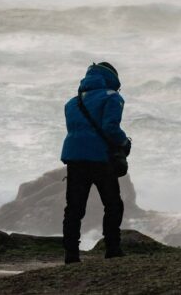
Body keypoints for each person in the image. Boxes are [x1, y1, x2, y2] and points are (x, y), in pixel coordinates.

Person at [60, 62, 131, 264]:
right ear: (112, 79)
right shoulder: (112, 97)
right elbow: (110, 127)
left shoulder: (72, 103)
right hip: (100, 159)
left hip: (74, 158)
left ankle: (71, 255)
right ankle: (112, 248)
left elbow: (76, 130)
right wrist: (125, 142)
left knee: (74, 209)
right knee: (112, 204)